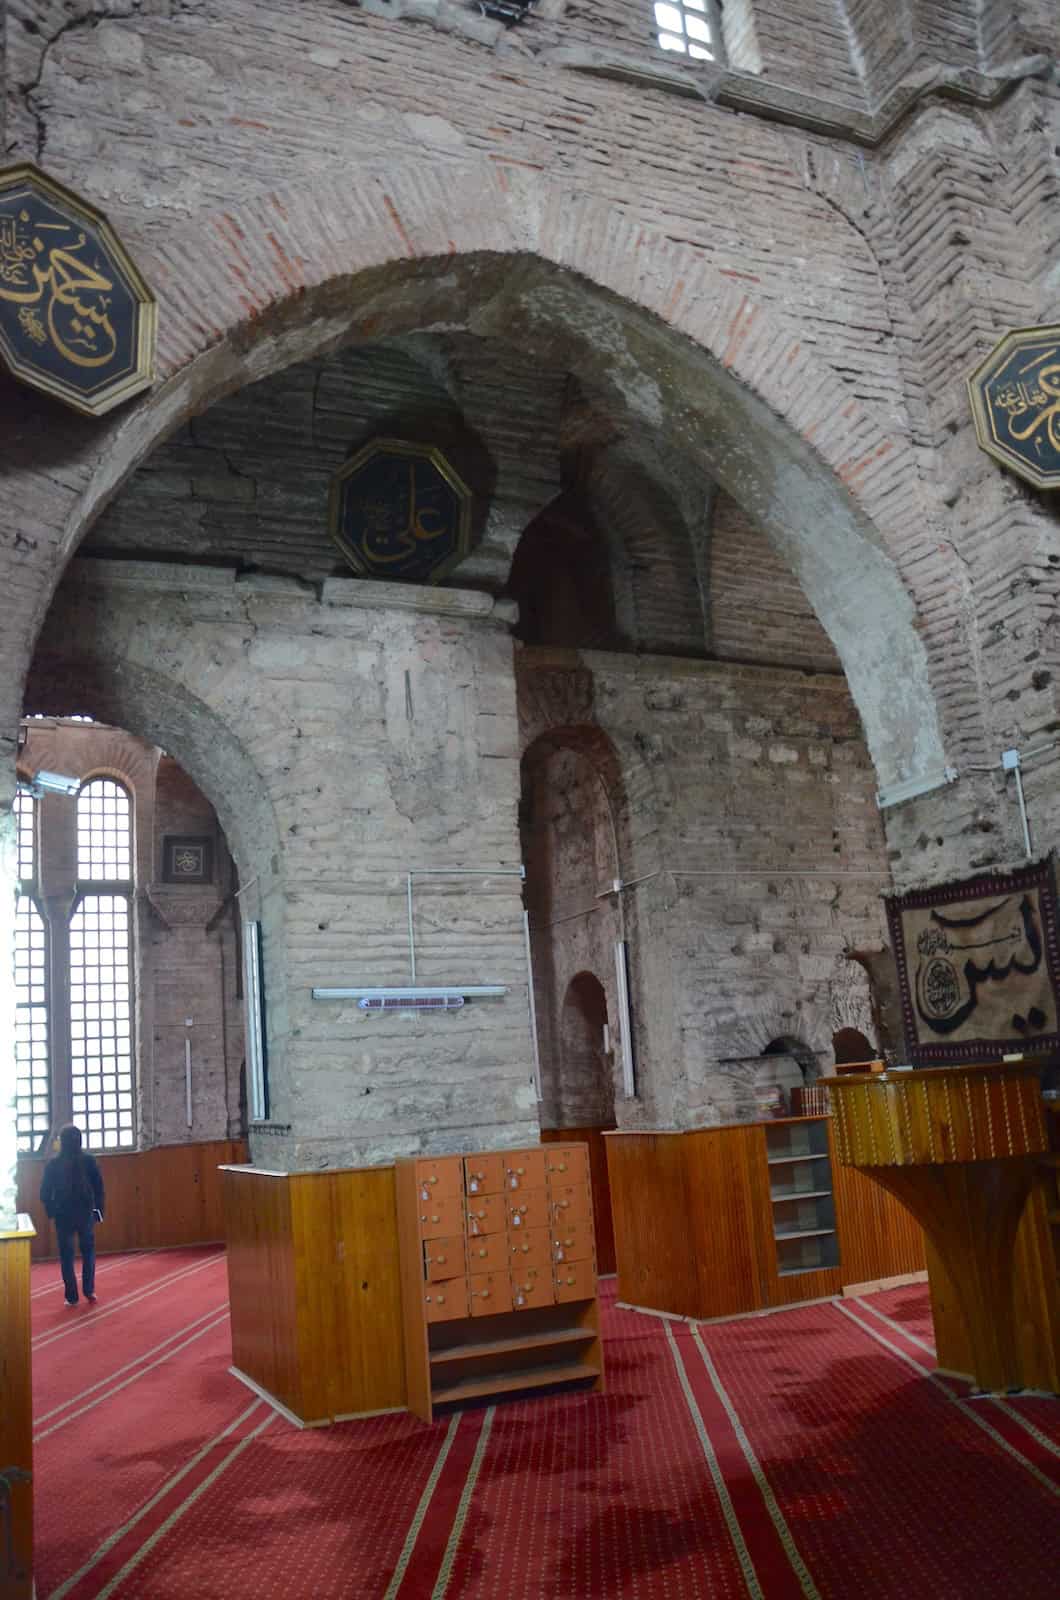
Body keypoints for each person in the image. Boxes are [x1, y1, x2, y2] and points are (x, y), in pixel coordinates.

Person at [40, 1125, 105, 1307]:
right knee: (89, 1252)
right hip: (85, 1213)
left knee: (67, 1257)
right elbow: (99, 1188)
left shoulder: (53, 1164)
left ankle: (71, 1296)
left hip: (63, 1215)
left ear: (62, 1142)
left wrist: (51, 1211)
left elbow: (44, 1192)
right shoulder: (89, 1160)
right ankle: (89, 1290)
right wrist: (99, 1212)